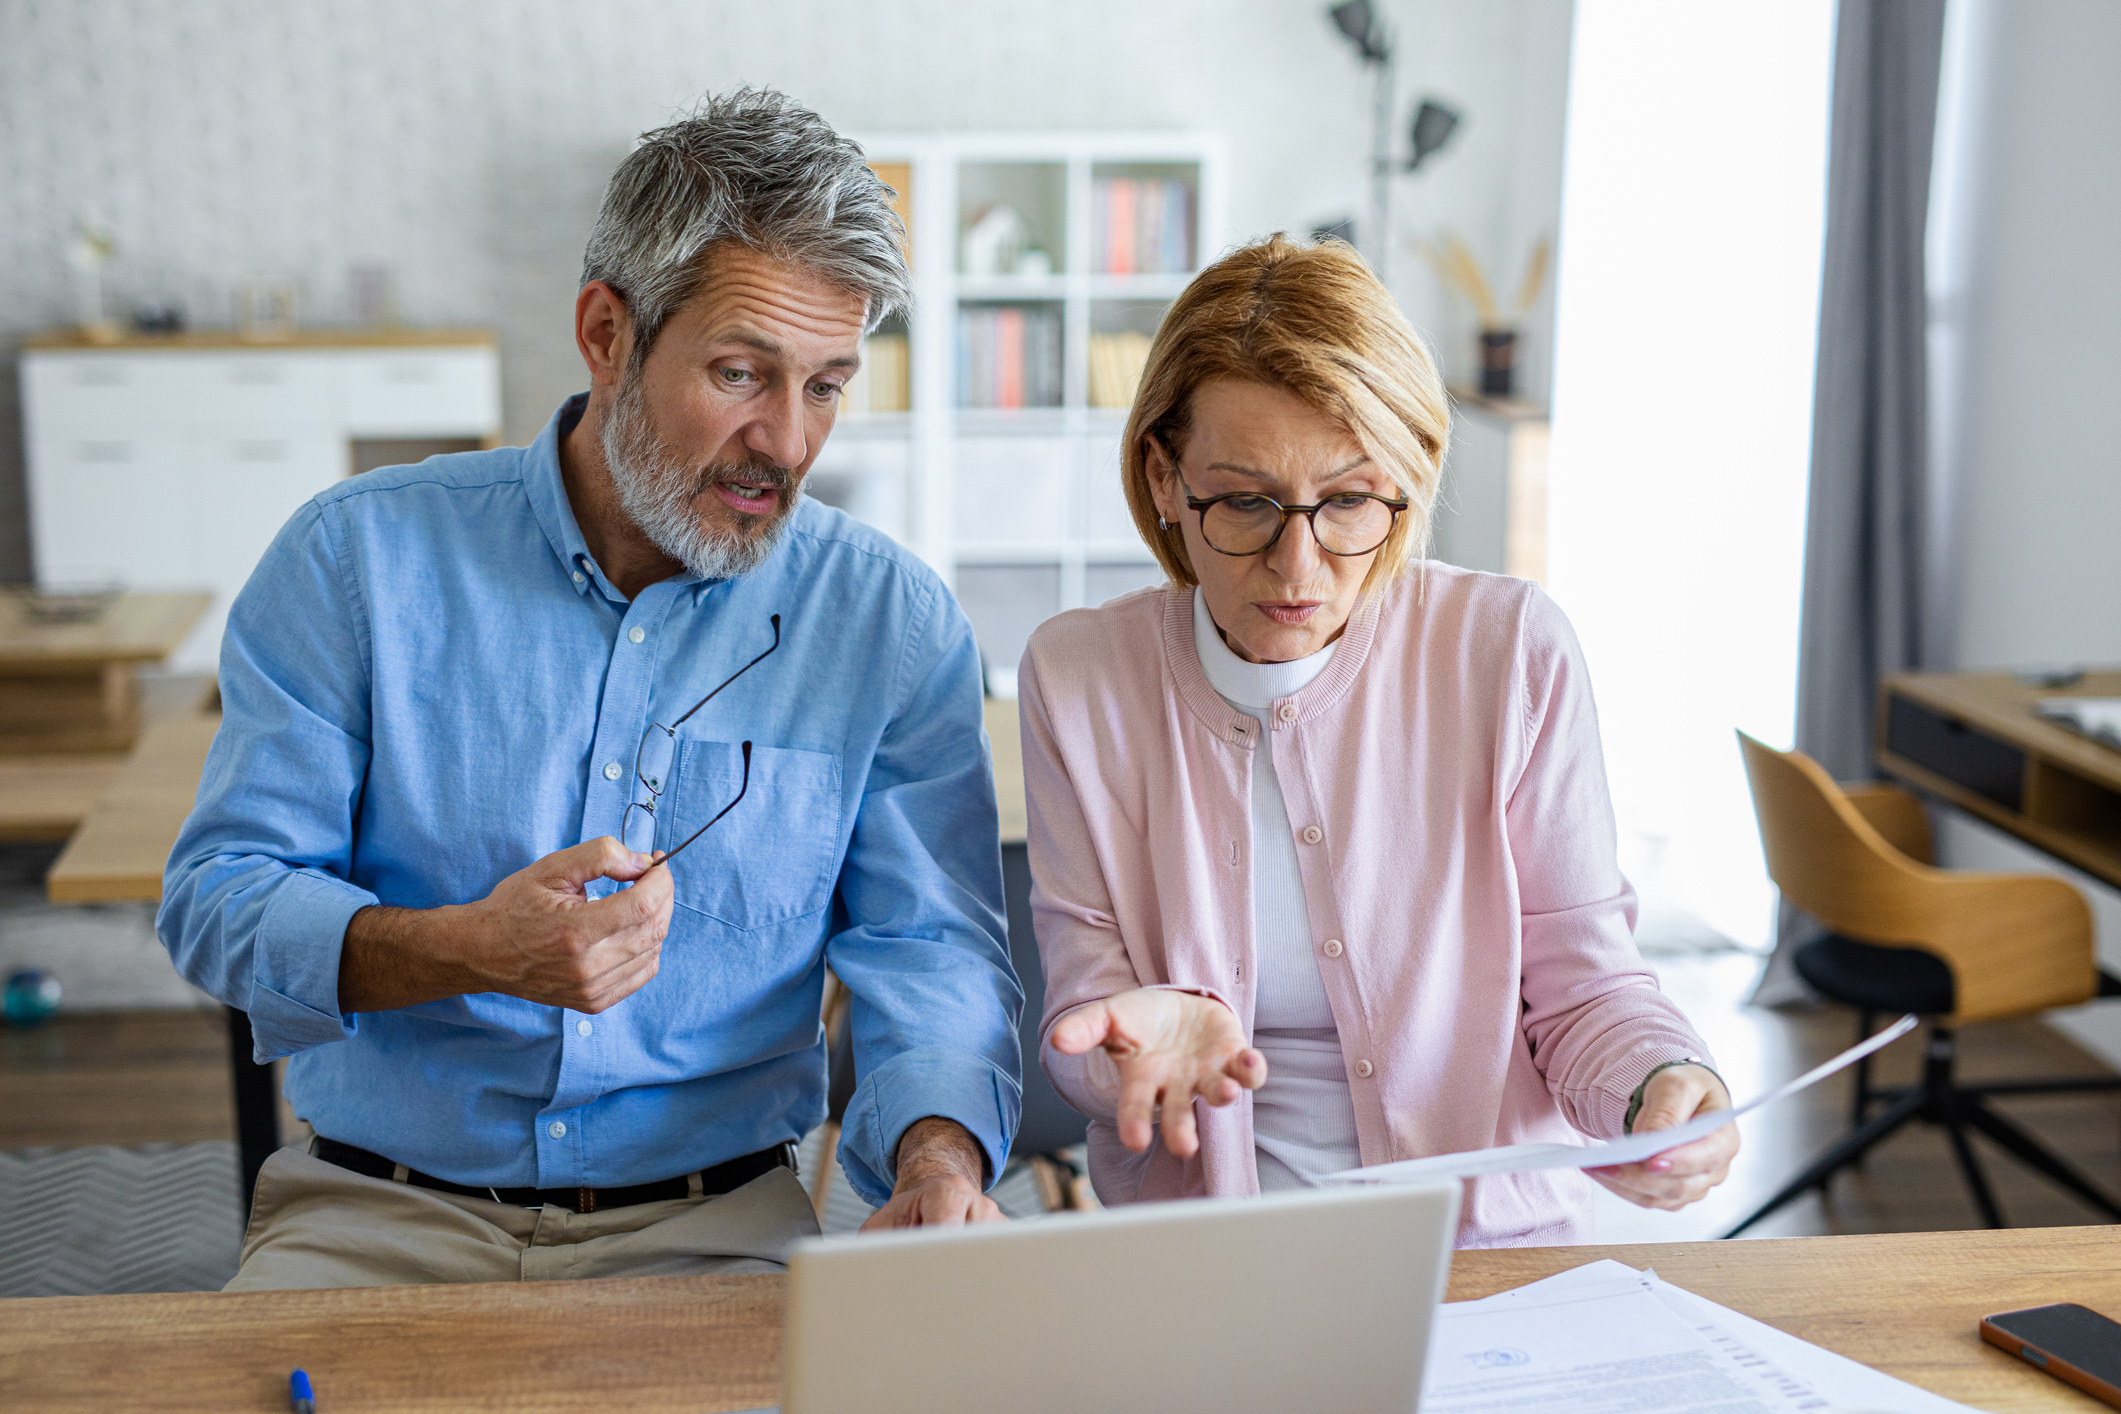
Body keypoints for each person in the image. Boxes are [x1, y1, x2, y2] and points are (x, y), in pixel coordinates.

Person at [160, 88, 1021, 1290]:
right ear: (606, 332)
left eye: (825, 384)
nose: (787, 440)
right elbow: (219, 903)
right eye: (741, 372)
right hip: (375, 1212)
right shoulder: (353, 561)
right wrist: (470, 948)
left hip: (717, 1230)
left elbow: (930, 950)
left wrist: (937, 1160)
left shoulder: (889, 622)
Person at [1020, 234, 1734, 1245]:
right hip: (1203, 1267)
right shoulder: (1081, 676)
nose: (1297, 565)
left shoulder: (1509, 651)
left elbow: (1587, 986)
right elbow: (1088, 1012)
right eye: (1247, 503)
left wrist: (1662, 1081)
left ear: (1404, 480)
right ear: (1166, 478)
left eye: (1349, 500)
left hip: (1484, 1258)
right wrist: (1125, 1056)